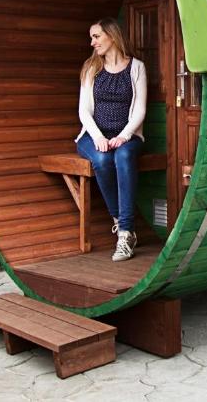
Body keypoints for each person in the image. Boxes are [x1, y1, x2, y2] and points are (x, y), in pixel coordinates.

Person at [75, 18, 147, 262]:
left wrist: (123, 136)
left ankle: (125, 234)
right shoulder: (90, 68)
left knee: (124, 155)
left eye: (96, 36)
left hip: (127, 136)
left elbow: (139, 110)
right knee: (103, 160)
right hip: (92, 136)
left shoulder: (136, 67)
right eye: (92, 37)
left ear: (112, 36)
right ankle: (121, 223)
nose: (92, 42)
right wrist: (98, 137)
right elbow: (84, 111)